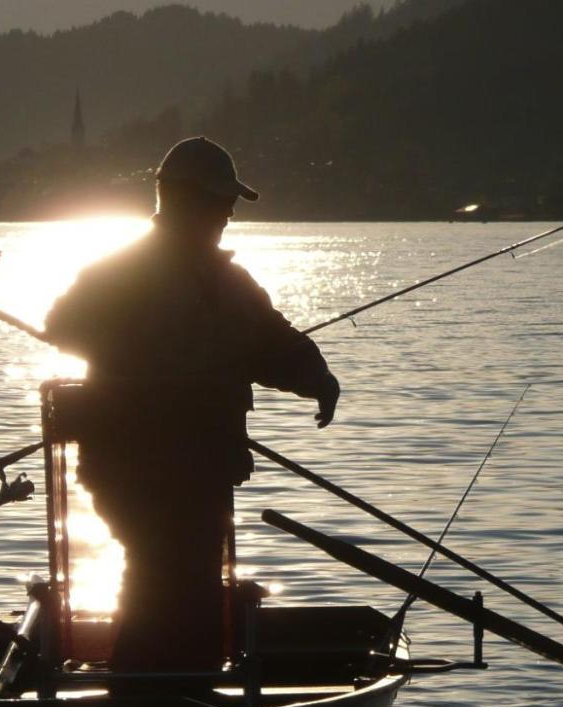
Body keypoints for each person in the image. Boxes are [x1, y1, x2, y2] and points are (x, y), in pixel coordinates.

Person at [43, 136, 340, 674]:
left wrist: (317, 377)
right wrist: (165, 346)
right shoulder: (118, 272)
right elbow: (62, 324)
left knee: (189, 580)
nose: (228, 212)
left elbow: (274, 342)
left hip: (204, 464)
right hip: (131, 464)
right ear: (182, 199)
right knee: (163, 573)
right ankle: (148, 694)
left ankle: (174, 689)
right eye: (220, 200)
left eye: (229, 202)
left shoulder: (229, 283)